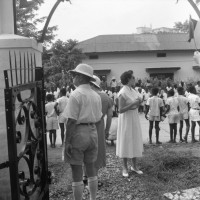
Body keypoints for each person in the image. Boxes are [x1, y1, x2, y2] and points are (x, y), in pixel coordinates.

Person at [63, 63, 102, 200]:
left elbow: (72, 120)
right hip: (92, 131)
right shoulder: (96, 95)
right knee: (91, 167)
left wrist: (67, 141)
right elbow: (98, 117)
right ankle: (93, 198)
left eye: (74, 75)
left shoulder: (76, 94)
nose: (73, 77)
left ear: (80, 77)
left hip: (79, 132)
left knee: (76, 169)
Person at [116, 70, 143, 178]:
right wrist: (134, 103)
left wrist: (138, 102)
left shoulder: (133, 90)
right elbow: (121, 109)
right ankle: (125, 167)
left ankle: (134, 166)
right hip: (126, 118)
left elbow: (137, 102)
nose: (134, 79)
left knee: (135, 139)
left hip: (134, 117)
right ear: (128, 79)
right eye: (133, 78)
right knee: (126, 140)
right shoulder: (123, 92)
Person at [90, 75, 113, 187]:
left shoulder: (86, 95)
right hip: (99, 128)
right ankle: (95, 178)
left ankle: (86, 176)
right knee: (97, 152)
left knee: (86, 151)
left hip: (85, 126)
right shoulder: (106, 98)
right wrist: (107, 130)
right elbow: (109, 116)